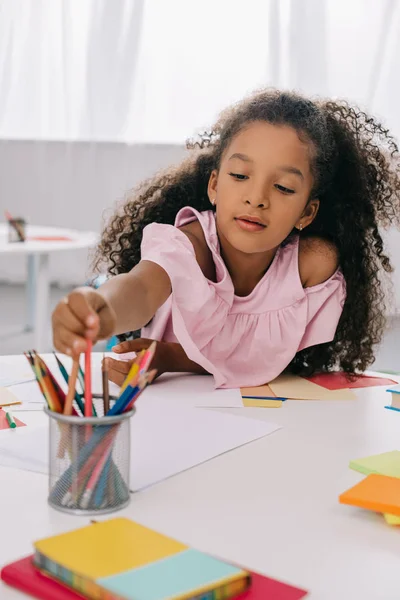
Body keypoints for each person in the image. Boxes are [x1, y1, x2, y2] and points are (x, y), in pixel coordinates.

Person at [52, 89, 400, 388]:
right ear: (215, 185)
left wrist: (171, 357)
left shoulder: (311, 267)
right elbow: (141, 288)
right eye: (240, 175)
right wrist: (105, 311)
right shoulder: (189, 245)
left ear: (306, 213)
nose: (257, 197)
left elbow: (257, 358)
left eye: (283, 187)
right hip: (120, 335)